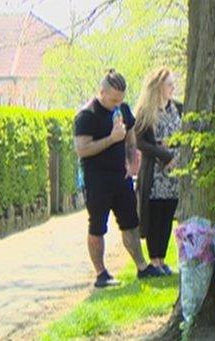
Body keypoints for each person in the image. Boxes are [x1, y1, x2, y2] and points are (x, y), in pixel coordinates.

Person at [74, 70, 162, 287]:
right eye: (113, 99)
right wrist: (111, 139)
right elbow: (82, 149)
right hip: (97, 180)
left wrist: (132, 160)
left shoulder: (122, 109)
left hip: (120, 177)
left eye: (120, 99)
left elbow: (130, 134)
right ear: (101, 92)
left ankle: (142, 267)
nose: (117, 103)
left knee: (131, 221)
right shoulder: (87, 115)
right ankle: (101, 274)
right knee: (97, 226)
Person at [134, 68, 183, 276]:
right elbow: (141, 143)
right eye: (169, 84)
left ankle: (162, 259)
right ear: (158, 87)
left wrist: (177, 155)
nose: (173, 88)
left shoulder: (178, 108)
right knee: (155, 216)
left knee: (167, 216)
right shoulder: (146, 111)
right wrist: (165, 156)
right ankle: (153, 260)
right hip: (155, 174)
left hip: (175, 174)